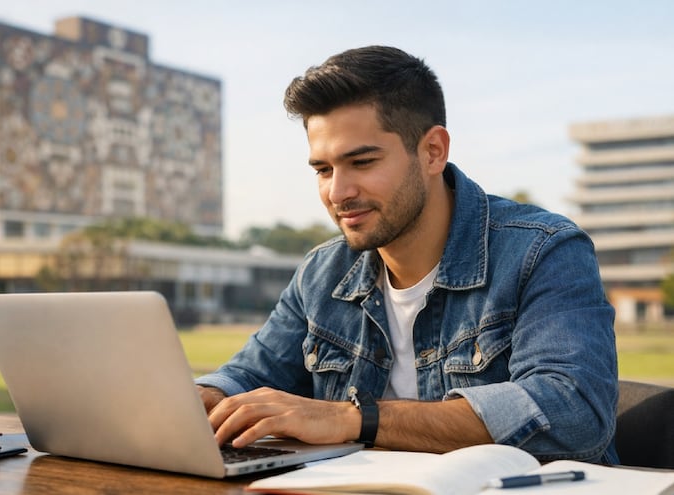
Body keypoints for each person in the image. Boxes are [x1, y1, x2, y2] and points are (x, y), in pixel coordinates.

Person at [195, 46, 618, 464]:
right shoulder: (322, 272)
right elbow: (249, 377)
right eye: (323, 170)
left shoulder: (542, 250)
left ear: (433, 151)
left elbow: (574, 413)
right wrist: (200, 400)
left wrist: (354, 420)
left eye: (361, 162)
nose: (337, 193)